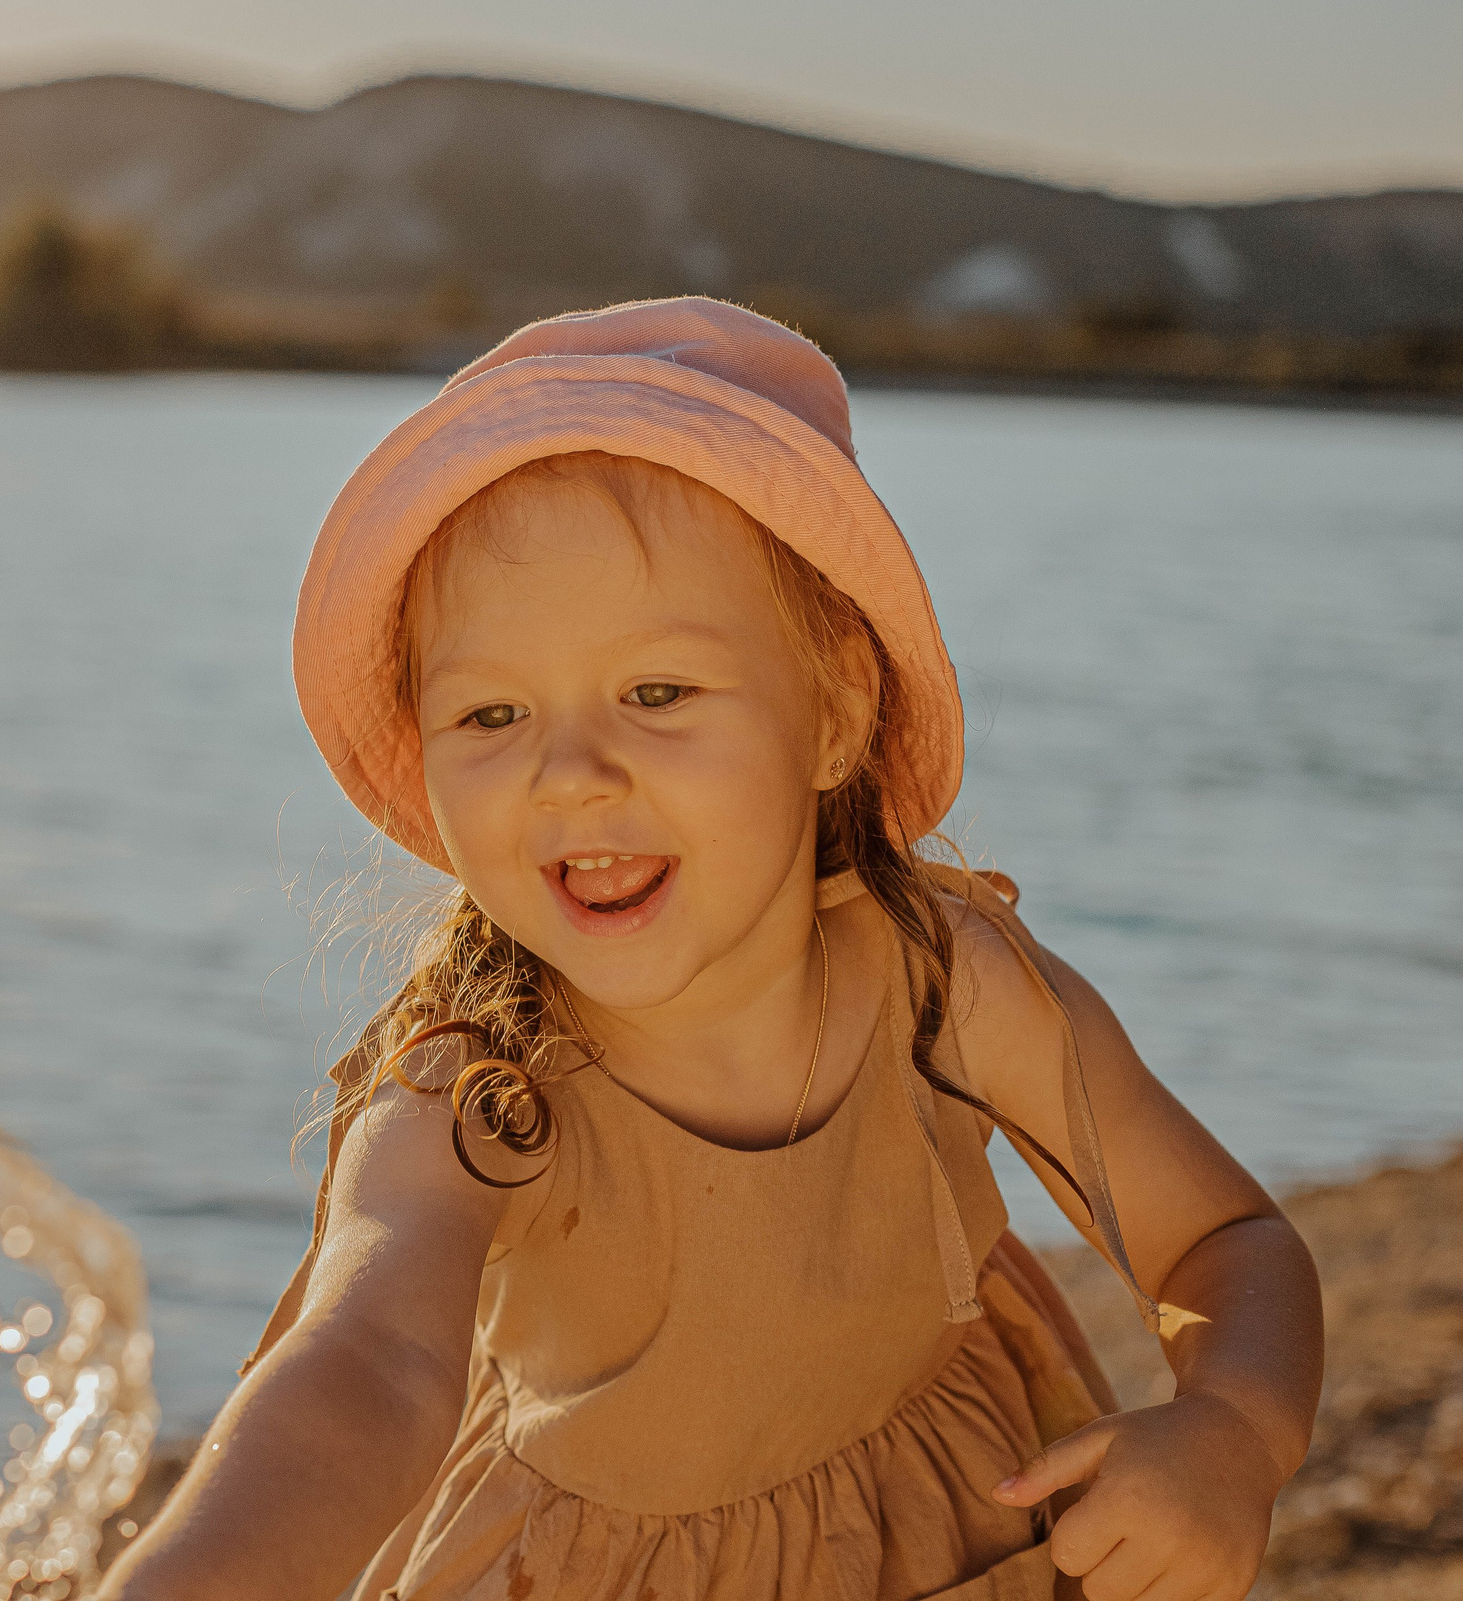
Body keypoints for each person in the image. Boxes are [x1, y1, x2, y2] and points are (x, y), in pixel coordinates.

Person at [100, 298, 1322, 1601]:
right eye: (492, 712)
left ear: (837, 710)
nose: (570, 774)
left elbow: (1226, 1240)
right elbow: (366, 1369)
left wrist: (1232, 1432)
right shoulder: (475, 1100)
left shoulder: (943, 984)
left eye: (659, 693)